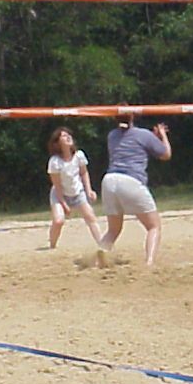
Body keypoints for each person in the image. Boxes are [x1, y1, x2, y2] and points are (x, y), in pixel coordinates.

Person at [98, 111, 171, 267]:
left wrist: (152, 137)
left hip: (109, 180)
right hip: (130, 180)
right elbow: (165, 154)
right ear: (132, 116)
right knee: (154, 226)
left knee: (113, 230)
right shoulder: (143, 134)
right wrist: (162, 135)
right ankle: (149, 262)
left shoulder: (112, 135)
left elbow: (133, 141)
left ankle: (101, 254)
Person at [46, 126, 101, 249]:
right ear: (57, 143)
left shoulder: (79, 155)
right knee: (59, 221)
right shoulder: (54, 161)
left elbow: (84, 173)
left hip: (78, 192)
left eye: (69, 135)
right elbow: (57, 185)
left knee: (90, 216)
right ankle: (52, 246)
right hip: (60, 194)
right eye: (64, 136)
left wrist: (89, 190)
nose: (68, 137)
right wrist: (64, 203)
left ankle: (102, 244)